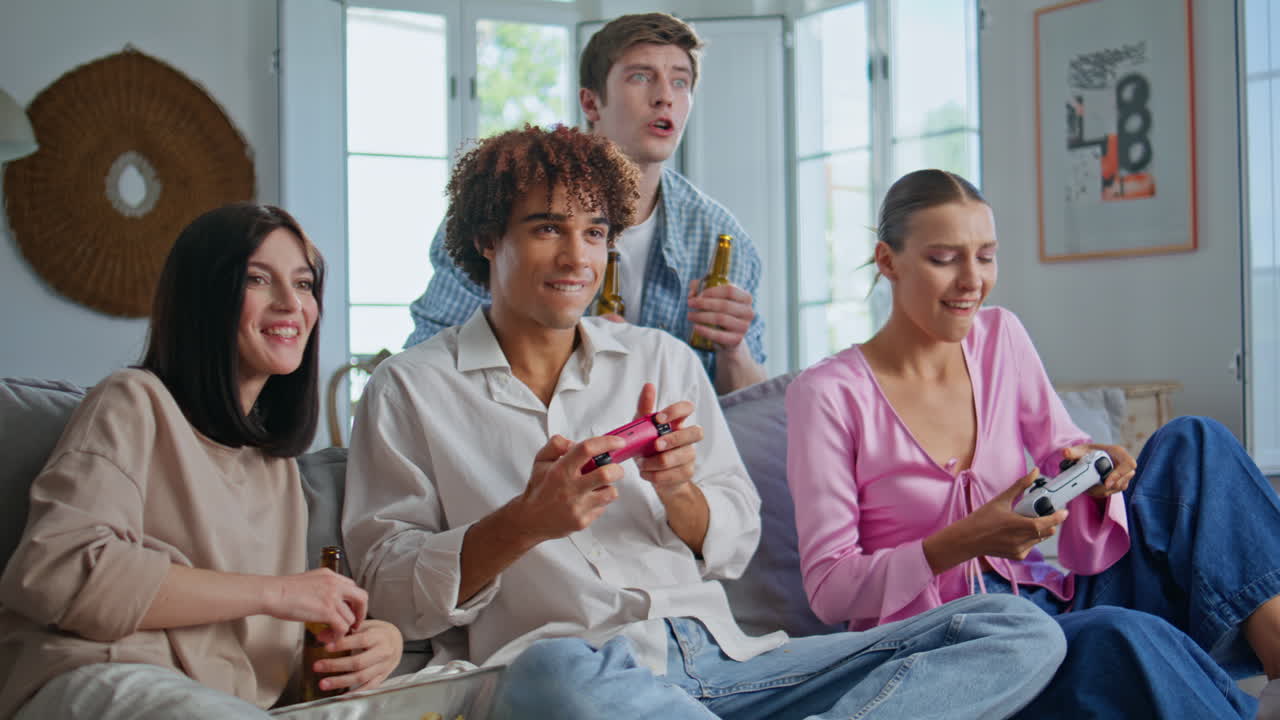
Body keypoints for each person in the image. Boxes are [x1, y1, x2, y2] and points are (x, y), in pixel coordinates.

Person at [342, 125, 1067, 720]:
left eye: (596, 232)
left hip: (733, 661)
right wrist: (524, 523)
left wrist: (681, 492)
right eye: (546, 229)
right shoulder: (411, 390)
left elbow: (733, 540)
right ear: (484, 240)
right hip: (585, 674)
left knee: (1014, 628)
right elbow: (390, 593)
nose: (577, 256)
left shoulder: (658, 359)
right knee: (548, 674)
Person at [785, 168, 1280, 718]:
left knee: (1196, 442)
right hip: (959, 648)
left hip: (1052, 602)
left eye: (986, 255)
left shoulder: (1001, 337)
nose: (972, 280)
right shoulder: (828, 393)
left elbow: (1061, 449)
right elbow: (830, 590)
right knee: (1126, 636)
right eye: (944, 259)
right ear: (888, 261)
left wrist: (1095, 467)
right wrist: (967, 539)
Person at [0, 203, 403, 719]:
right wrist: (277, 593)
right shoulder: (133, 402)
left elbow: (259, 661)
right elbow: (56, 573)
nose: (290, 304)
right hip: (98, 675)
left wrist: (374, 646)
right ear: (204, 296)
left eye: (303, 285)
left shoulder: (272, 466)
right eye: (257, 279)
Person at [406, 12, 767, 394]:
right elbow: (426, 366)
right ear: (591, 103)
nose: (665, 96)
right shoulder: (503, 204)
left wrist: (733, 350)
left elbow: (745, 413)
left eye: (681, 81)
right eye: (640, 76)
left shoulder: (722, 239)